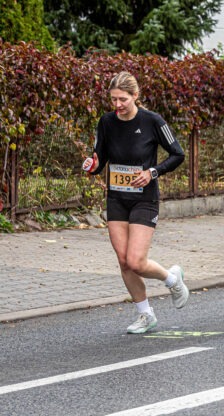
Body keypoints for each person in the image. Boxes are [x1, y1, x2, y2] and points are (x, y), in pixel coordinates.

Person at [82, 71, 188, 334]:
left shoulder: (153, 121)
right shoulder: (106, 122)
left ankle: (172, 279)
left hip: (144, 199)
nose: (117, 105)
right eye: (113, 99)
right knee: (124, 261)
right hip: (117, 198)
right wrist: (92, 166)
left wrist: (153, 172)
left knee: (136, 261)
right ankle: (145, 314)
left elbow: (178, 154)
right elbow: (100, 160)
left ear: (135, 96)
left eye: (123, 99)